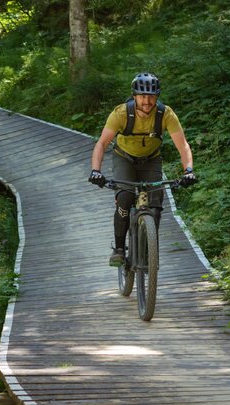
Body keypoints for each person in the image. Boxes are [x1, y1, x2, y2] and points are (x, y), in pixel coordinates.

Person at [87, 72, 196, 266]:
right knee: (125, 196)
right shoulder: (121, 113)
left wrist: (188, 170)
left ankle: (148, 249)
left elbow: (183, 146)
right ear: (135, 96)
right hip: (124, 158)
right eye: (142, 96)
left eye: (151, 96)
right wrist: (96, 170)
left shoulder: (165, 114)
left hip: (151, 160)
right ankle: (119, 249)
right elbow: (101, 144)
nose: (147, 101)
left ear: (157, 96)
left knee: (156, 202)